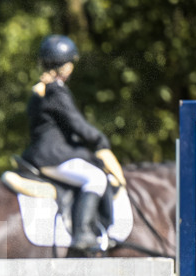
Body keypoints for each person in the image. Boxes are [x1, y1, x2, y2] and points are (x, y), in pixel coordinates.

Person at [22, 35, 125, 255]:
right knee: (96, 177)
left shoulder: (40, 90)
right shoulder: (56, 91)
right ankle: (82, 233)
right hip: (53, 156)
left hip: (41, 154)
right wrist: (101, 144)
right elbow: (77, 123)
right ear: (66, 66)